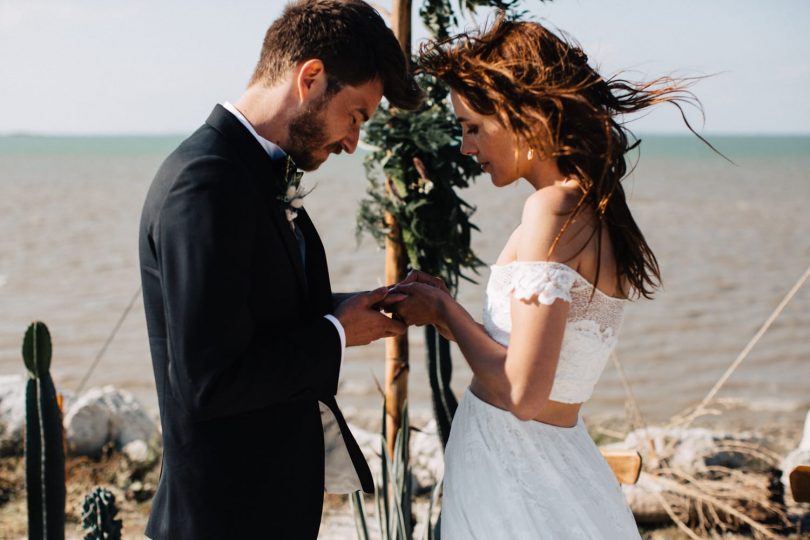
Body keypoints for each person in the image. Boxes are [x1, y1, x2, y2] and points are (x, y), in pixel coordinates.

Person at [386, 15, 706, 538]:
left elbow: (523, 391)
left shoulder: (551, 209)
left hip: (515, 484)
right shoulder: (591, 209)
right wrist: (449, 317)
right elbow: (537, 368)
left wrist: (446, 312)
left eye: (473, 127)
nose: (467, 148)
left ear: (525, 116)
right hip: (551, 468)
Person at [138, 1, 422, 538]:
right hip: (224, 520)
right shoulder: (205, 185)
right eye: (356, 116)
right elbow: (208, 381)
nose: (352, 141)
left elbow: (253, 315)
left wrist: (347, 309)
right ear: (310, 78)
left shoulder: (250, 173)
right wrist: (336, 334)